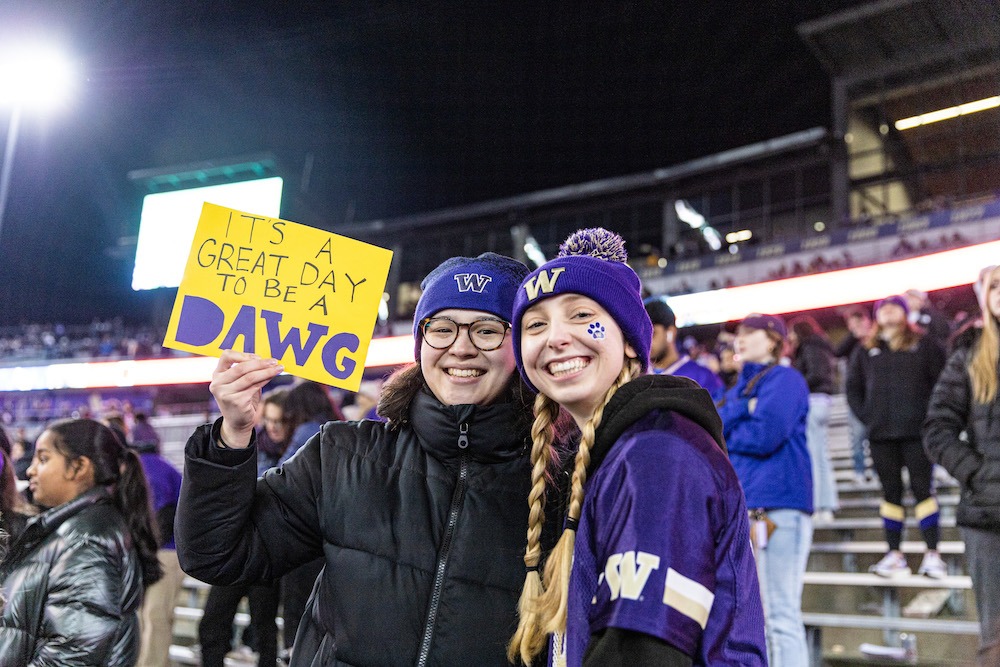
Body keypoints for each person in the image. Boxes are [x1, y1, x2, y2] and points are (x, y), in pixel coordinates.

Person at [176, 252, 552, 666]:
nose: (460, 348)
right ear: (420, 343)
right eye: (441, 329)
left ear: (520, 346)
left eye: (487, 330)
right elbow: (216, 553)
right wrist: (232, 435)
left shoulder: (560, 485)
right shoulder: (341, 455)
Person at [507, 228, 766, 666]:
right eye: (536, 324)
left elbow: (643, 654)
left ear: (629, 339)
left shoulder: (655, 453)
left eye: (580, 314)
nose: (555, 338)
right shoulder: (616, 450)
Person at [0, 419, 162, 666]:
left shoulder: (87, 539)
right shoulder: (75, 530)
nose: (31, 470)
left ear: (79, 468)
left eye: (43, 459)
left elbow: (74, 654)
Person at [715, 313, 812, 666]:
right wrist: (744, 409)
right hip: (748, 510)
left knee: (779, 614)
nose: (739, 338)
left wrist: (730, 424)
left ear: (773, 339)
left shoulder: (786, 379)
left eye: (750, 332)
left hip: (780, 507)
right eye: (737, 332)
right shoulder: (739, 389)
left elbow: (765, 435)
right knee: (757, 617)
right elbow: (716, 426)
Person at [924, 265, 1000, 665]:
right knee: (997, 641)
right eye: (995, 285)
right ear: (983, 296)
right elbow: (937, 428)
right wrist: (979, 473)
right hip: (989, 518)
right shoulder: (969, 354)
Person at [847, 295, 947, 578]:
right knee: (890, 494)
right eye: (883, 308)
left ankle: (932, 554)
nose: (888, 311)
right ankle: (894, 555)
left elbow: (941, 383)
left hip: (917, 433)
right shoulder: (865, 350)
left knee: (923, 491)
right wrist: (868, 416)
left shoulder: (925, 344)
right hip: (881, 436)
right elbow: (853, 387)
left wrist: (931, 419)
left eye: (894, 307)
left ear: (905, 314)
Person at [197, 388, 289, 667]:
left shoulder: (296, 453)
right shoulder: (250, 445)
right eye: (269, 419)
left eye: (279, 421)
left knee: (264, 630)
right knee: (212, 625)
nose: (273, 427)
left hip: (267, 555)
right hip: (237, 550)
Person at [129, 416, 185, 667]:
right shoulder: (165, 467)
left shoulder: (147, 469)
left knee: (152, 616)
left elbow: (163, 515)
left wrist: (145, 550)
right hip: (164, 551)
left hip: (160, 551)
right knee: (154, 617)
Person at [788, 315, 840, 523]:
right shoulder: (820, 345)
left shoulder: (810, 347)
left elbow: (816, 374)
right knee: (819, 457)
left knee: (815, 458)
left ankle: (822, 505)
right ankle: (825, 505)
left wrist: (795, 386)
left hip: (814, 401)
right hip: (821, 400)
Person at [643, 295, 724, 396]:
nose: (645, 341)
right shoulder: (640, 379)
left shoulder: (702, 377)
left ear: (670, 332)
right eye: (642, 335)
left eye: (652, 334)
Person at [835, 307, 874, 483]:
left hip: (874, 393)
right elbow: (838, 351)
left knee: (873, 435)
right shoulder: (853, 344)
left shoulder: (875, 340)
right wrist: (853, 334)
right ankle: (859, 470)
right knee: (857, 436)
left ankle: (874, 470)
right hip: (856, 395)